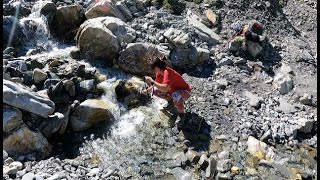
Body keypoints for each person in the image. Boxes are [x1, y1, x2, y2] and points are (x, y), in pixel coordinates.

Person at [142, 56, 192, 129]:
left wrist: (152, 81)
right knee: (155, 90)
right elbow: (156, 85)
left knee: (176, 95)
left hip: (185, 92)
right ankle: (171, 102)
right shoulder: (159, 74)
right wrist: (146, 91)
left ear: (156, 68)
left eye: (152, 68)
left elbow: (165, 88)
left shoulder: (167, 73)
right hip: (172, 91)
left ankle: (182, 114)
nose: (152, 70)